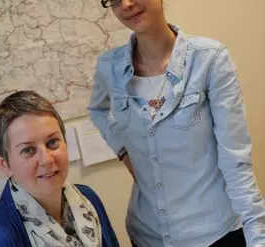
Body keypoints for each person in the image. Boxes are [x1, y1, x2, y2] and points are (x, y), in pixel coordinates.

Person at [88, 0, 265, 247]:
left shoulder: (209, 60)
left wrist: (257, 234)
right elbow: (97, 109)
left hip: (214, 234)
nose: (126, 4)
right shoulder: (110, 67)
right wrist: (123, 150)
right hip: (147, 234)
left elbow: (235, 160)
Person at [0, 90, 120, 247]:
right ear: (4, 164)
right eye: (27, 150)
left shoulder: (89, 198)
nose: (47, 159)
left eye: (52, 142)